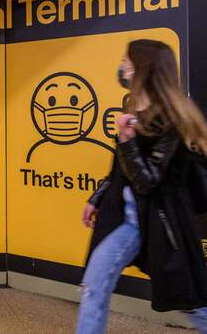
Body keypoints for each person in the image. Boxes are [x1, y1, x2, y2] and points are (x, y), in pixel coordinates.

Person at [76, 39, 207, 334]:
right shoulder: (135, 109)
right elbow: (118, 170)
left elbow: (147, 181)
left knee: (190, 303)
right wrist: (96, 198)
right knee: (93, 286)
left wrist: (127, 140)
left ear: (142, 68)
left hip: (162, 225)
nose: (122, 66)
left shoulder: (171, 120)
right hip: (126, 221)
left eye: (127, 60)